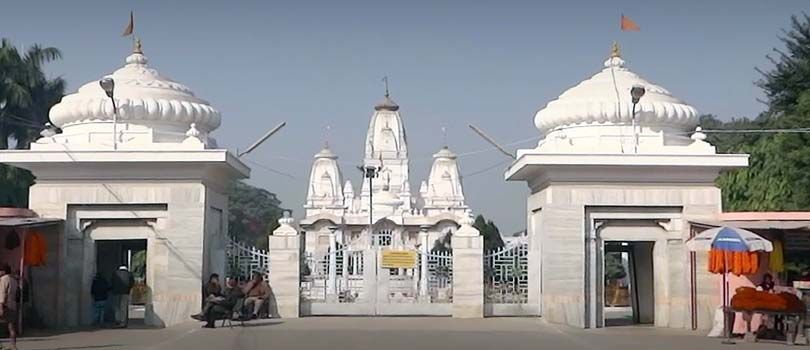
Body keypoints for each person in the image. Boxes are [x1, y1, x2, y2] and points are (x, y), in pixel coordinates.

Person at [0, 264, 18, 350]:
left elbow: (2, 293)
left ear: (3, 271)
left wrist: (1, 307)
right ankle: (13, 346)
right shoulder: (14, 280)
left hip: (4, 306)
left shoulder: (3, 279)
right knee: (11, 327)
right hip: (13, 306)